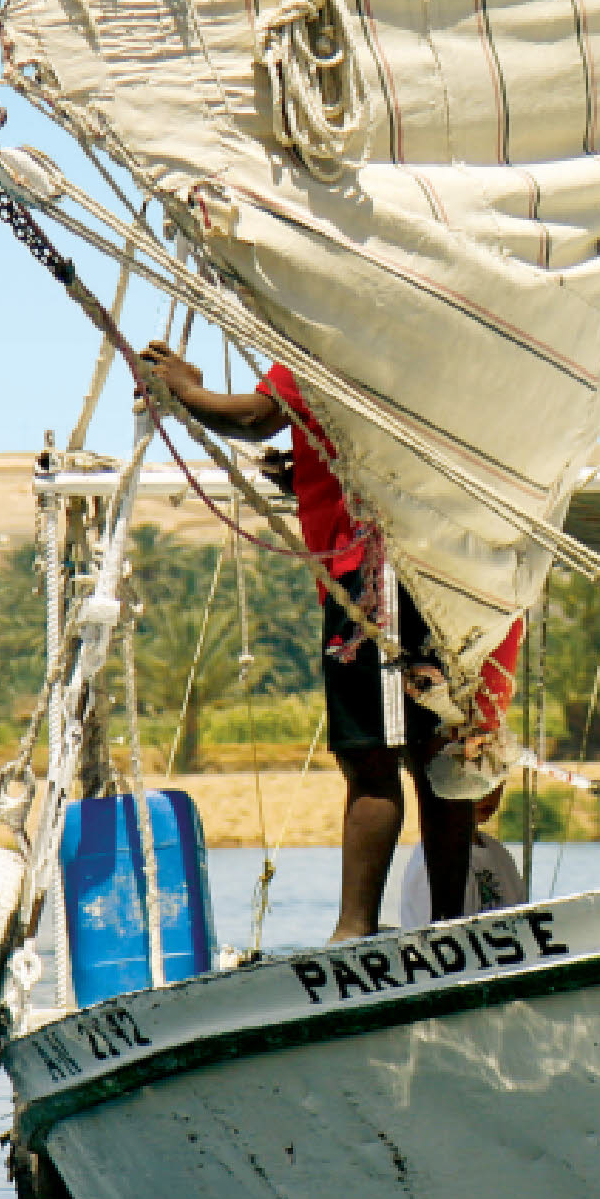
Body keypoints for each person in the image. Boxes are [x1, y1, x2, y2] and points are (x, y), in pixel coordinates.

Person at [139, 341, 475, 938]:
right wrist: (306, 480)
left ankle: (362, 933)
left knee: (376, 758)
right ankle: (450, 928)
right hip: (420, 571)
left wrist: (186, 390)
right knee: (434, 756)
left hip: (379, 580)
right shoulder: (404, 349)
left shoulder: (325, 340)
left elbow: (252, 416)